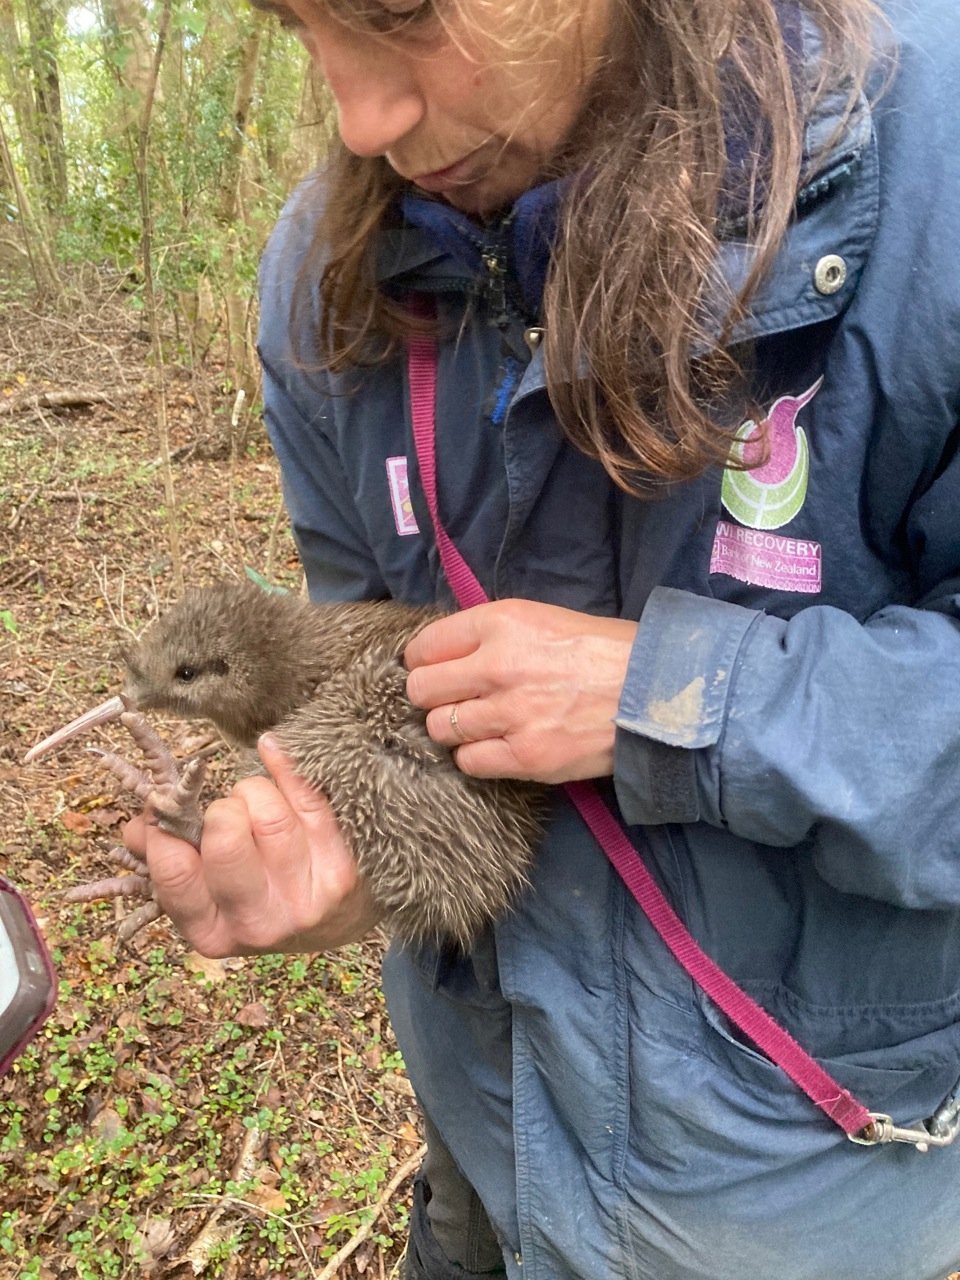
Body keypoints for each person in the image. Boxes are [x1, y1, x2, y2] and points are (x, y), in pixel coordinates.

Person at [124, 0, 960, 1276]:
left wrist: (676, 696)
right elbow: (357, 673)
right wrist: (347, 860)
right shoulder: (326, 275)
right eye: (299, 26)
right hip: (486, 1110)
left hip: (783, 1188)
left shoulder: (927, 161)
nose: (362, 119)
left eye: (402, 13)